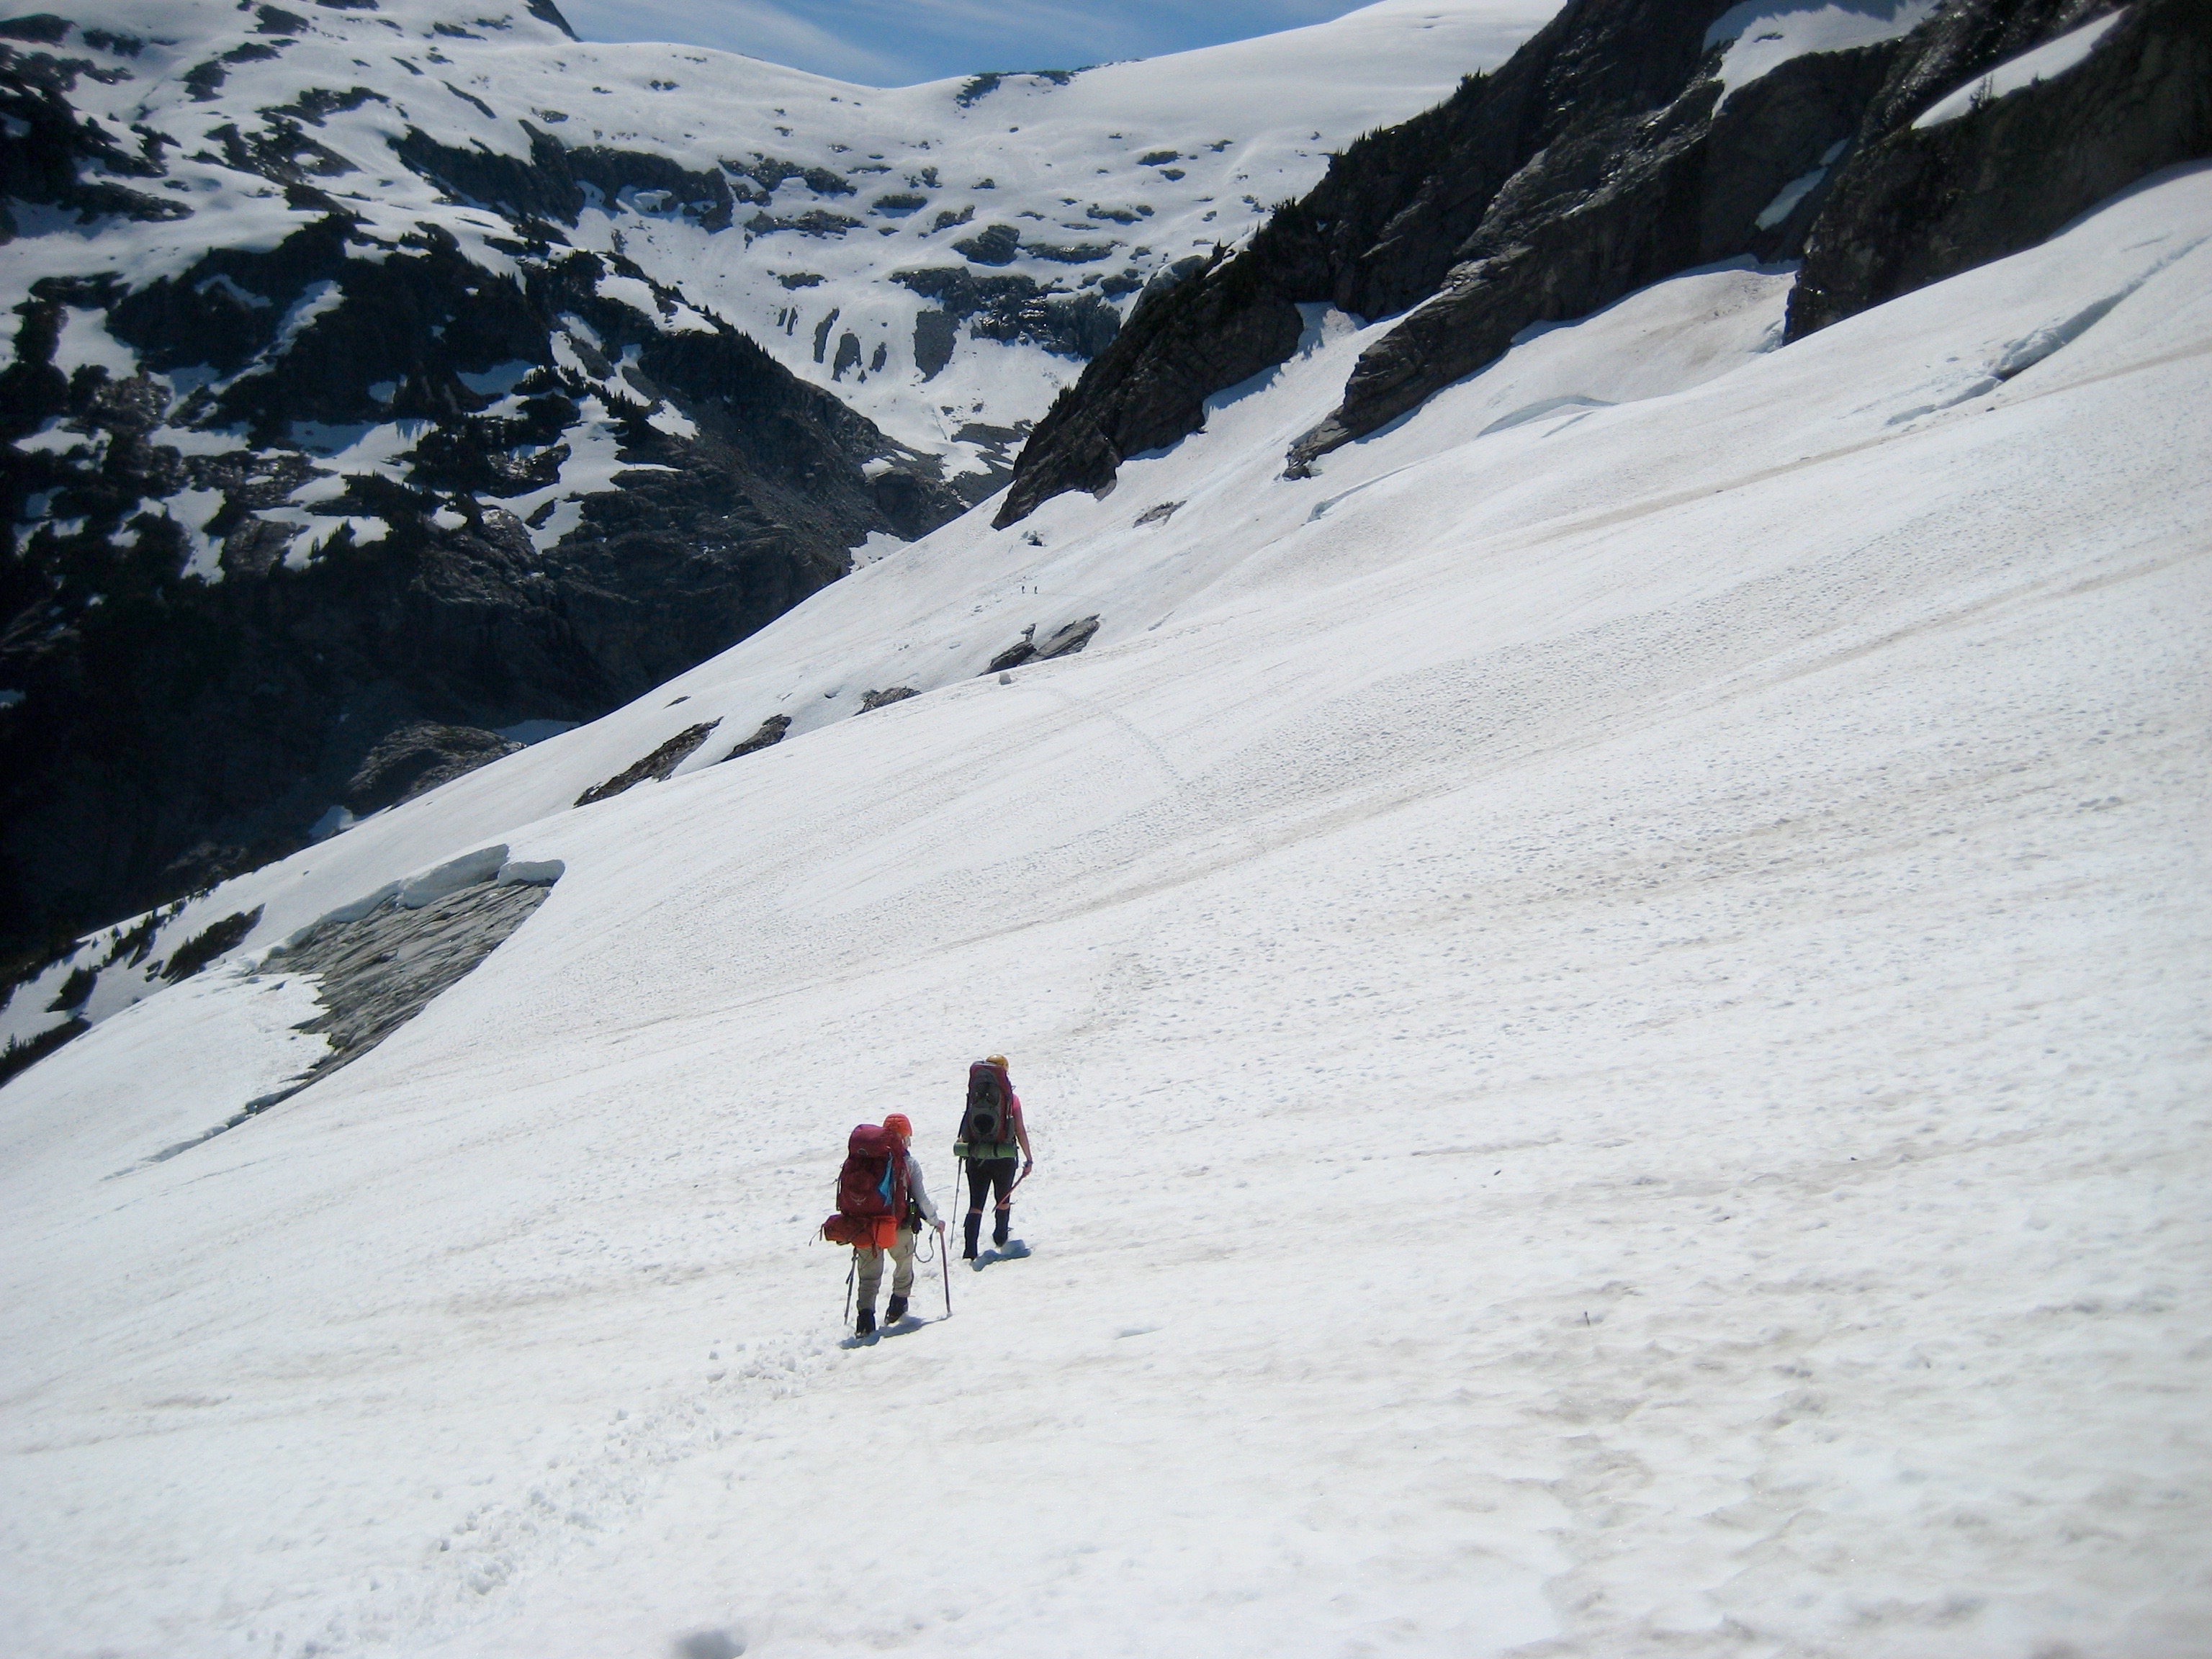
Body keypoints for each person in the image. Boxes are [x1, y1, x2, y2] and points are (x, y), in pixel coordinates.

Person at [854, 1112, 944, 1336]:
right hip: (896, 1226)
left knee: (869, 1276)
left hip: (865, 1226)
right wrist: (935, 1221)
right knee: (904, 1263)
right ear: (905, 1138)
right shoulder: (909, 1163)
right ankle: (897, 1307)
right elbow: (921, 1199)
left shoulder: (864, 1159)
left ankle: (865, 1320)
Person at [954, 1053, 1033, 1259]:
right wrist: (1029, 1158)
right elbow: (1020, 1129)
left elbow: (966, 1127)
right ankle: (1000, 1237)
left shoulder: (975, 1095)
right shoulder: (1010, 1099)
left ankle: (970, 1250)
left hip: (976, 1155)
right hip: (1004, 1156)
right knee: (1003, 1198)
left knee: (976, 1203)